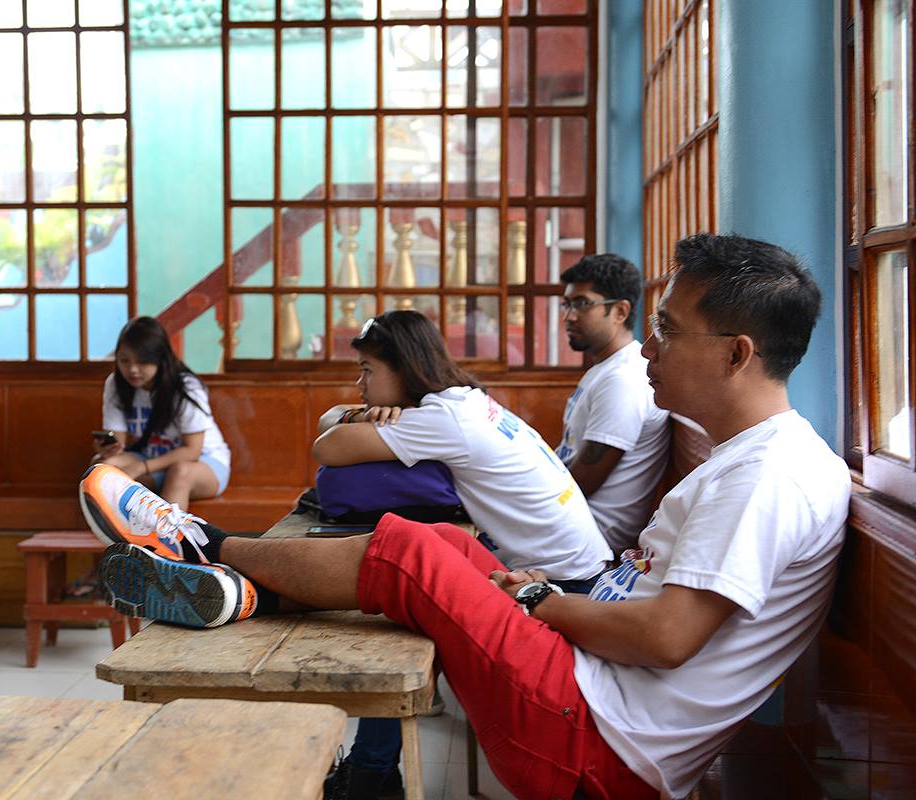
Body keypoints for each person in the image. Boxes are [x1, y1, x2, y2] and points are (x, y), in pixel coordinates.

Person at [82, 233, 849, 800]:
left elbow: (665, 636)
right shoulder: (752, 457)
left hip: (594, 738)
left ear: (737, 354)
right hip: (589, 688)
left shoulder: (769, 476)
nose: (648, 348)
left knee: (412, 555)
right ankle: (241, 592)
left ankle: (201, 543)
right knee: (446, 541)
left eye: (669, 330)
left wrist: (539, 599)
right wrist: (535, 595)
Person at [306, 309, 612, 798]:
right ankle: (373, 770)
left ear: (403, 369)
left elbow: (327, 448)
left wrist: (353, 417)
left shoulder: (442, 419)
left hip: (557, 585)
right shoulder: (465, 400)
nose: (359, 384)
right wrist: (359, 412)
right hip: (579, 569)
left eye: (367, 370)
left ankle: (372, 775)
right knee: (418, 579)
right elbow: (331, 428)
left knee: (404, 602)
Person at [556, 253, 671, 551]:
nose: (569, 316)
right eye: (567, 304)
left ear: (620, 311)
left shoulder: (623, 379)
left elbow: (582, 484)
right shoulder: (605, 369)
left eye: (582, 303)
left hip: (584, 543)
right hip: (568, 526)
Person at [89, 316, 230, 510]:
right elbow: (119, 445)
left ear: (160, 359)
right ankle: (115, 529)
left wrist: (141, 468)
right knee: (104, 467)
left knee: (180, 472)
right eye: (124, 360)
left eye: (142, 362)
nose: (132, 369)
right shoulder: (116, 384)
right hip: (151, 458)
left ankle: (169, 530)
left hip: (203, 462)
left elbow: (192, 451)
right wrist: (108, 449)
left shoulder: (186, 387)